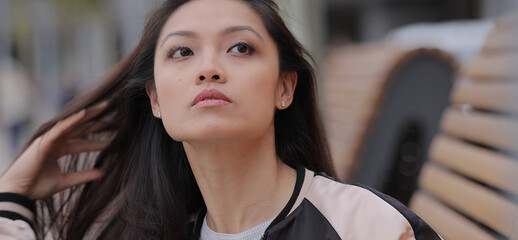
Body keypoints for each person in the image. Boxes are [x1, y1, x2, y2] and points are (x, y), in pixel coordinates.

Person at [0, 0, 442, 239]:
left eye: (240, 48)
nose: (207, 68)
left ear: (284, 88)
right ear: (155, 99)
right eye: (181, 51)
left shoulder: (367, 228)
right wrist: (12, 195)